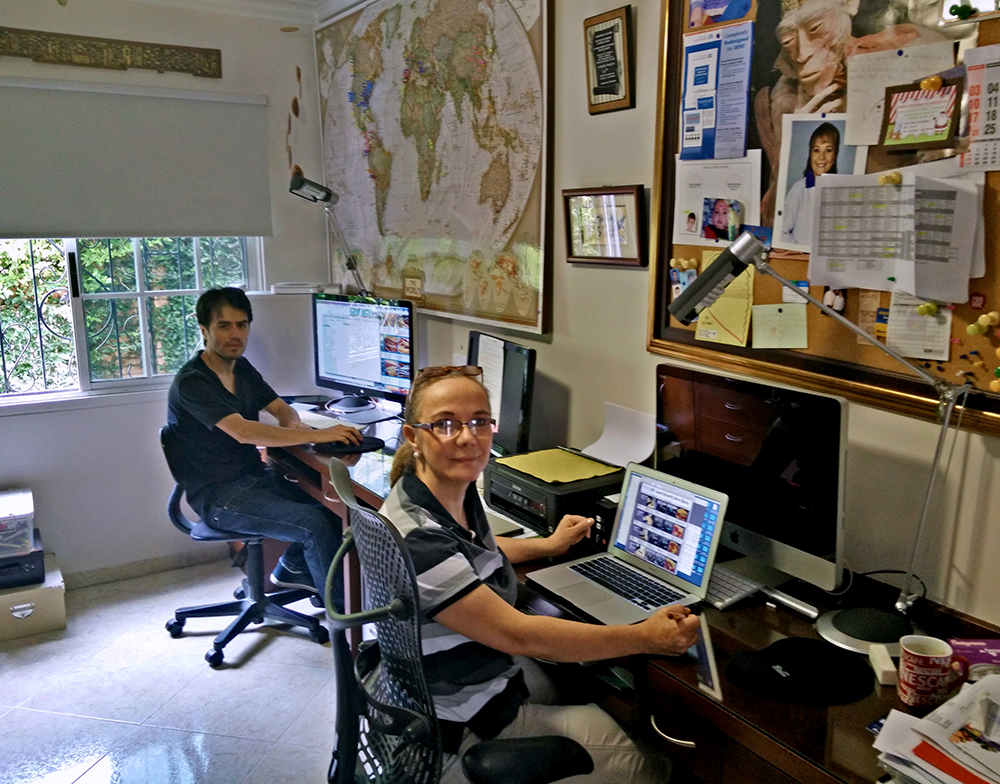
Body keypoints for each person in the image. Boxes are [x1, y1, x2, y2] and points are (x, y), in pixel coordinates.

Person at [382, 365, 701, 783]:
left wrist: (548, 545)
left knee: (581, 684)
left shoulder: (436, 491)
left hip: (453, 683)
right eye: (445, 424)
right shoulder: (420, 539)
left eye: (479, 421)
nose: (467, 438)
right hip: (463, 723)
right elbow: (519, 634)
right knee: (646, 759)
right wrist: (646, 636)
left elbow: (473, 553)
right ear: (413, 436)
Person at [165, 287, 362, 601]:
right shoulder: (193, 381)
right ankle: (343, 618)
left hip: (253, 481)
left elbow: (280, 406)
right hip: (221, 500)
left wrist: (291, 421)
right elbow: (244, 432)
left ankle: (295, 569)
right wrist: (316, 435)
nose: (235, 334)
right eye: (224, 325)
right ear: (204, 330)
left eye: (242, 325)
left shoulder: (239, 368)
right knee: (313, 524)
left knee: (328, 512)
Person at [754, 0, 945, 225]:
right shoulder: (777, 99)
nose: (802, 54)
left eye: (816, 28)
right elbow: (773, 218)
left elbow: (941, 176)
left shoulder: (906, 51)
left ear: (850, 5)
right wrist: (797, 137)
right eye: (788, 41)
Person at [781, 122, 839, 247]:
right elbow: (782, 231)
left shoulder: (841, 192)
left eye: (828, 150)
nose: (821, 157)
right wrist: (799, 251)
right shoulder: (799, 190)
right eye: (816, 150)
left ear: (834, 156)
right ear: (810, 155)